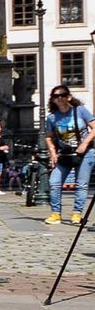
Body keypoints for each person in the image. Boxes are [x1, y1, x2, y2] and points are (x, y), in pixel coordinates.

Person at [42, 87, 94, 226]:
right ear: (53, 99)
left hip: (85, 153)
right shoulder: (52, 117)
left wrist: (85, 143)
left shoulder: (80, 110)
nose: (59, 98)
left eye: (63, 95)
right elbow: (49, 137)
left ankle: (77, 213)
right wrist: (52, 152)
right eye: (56, 96)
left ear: (68, 97)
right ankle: (55, 214)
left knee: (81, 184)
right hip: (64, 154)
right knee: (54, 182)